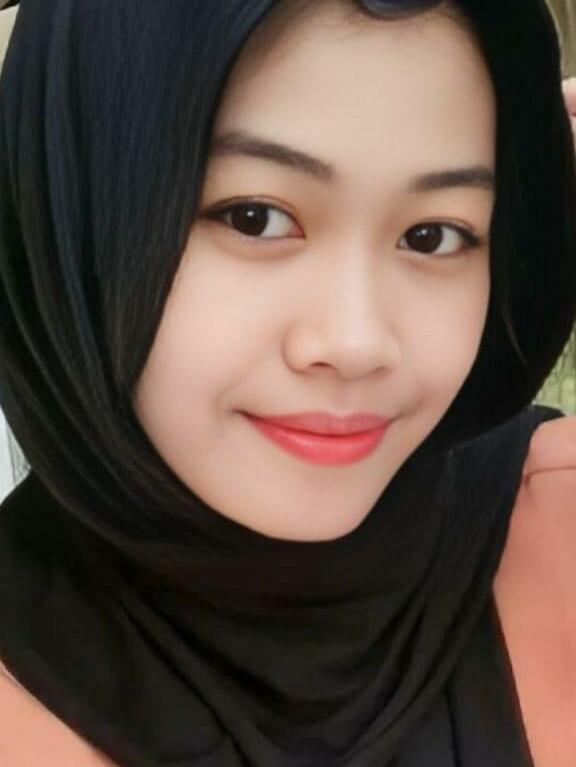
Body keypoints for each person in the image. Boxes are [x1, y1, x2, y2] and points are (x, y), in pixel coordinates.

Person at [0, 1, 575, 766]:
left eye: (432, 235)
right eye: (254, 217)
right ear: (69, 220)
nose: (356, 343)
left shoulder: (556, 523)